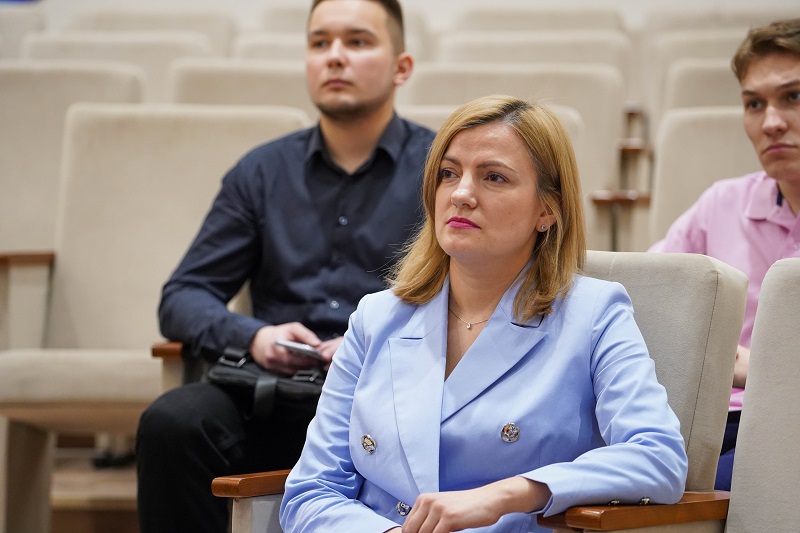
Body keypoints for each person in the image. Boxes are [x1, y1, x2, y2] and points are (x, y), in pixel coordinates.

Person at [280, 95, 688, 532]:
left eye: (494, 177)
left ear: (547, 209)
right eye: (449, 173)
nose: (461, 194)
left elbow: (658, 457)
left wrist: (511, 494)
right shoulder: (376, 317)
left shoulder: (593, 313)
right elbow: (310, 493)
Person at [135, 1, 436, 532]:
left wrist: (374, 339)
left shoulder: (443, 170)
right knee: (173, 422)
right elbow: (183, 295)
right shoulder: (261, 171)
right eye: (320, 43)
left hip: (393, 396)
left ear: (402, 67)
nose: (335, 57)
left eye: (357, 42)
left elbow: (474, 294)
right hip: (276, 393)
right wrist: (254, 336)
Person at [648, 18, 800, 491]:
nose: (771, 122)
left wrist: (763, 369)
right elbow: (648, 292)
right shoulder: (722, 204)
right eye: (754, 104)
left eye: (793, 96)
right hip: (710, 419)